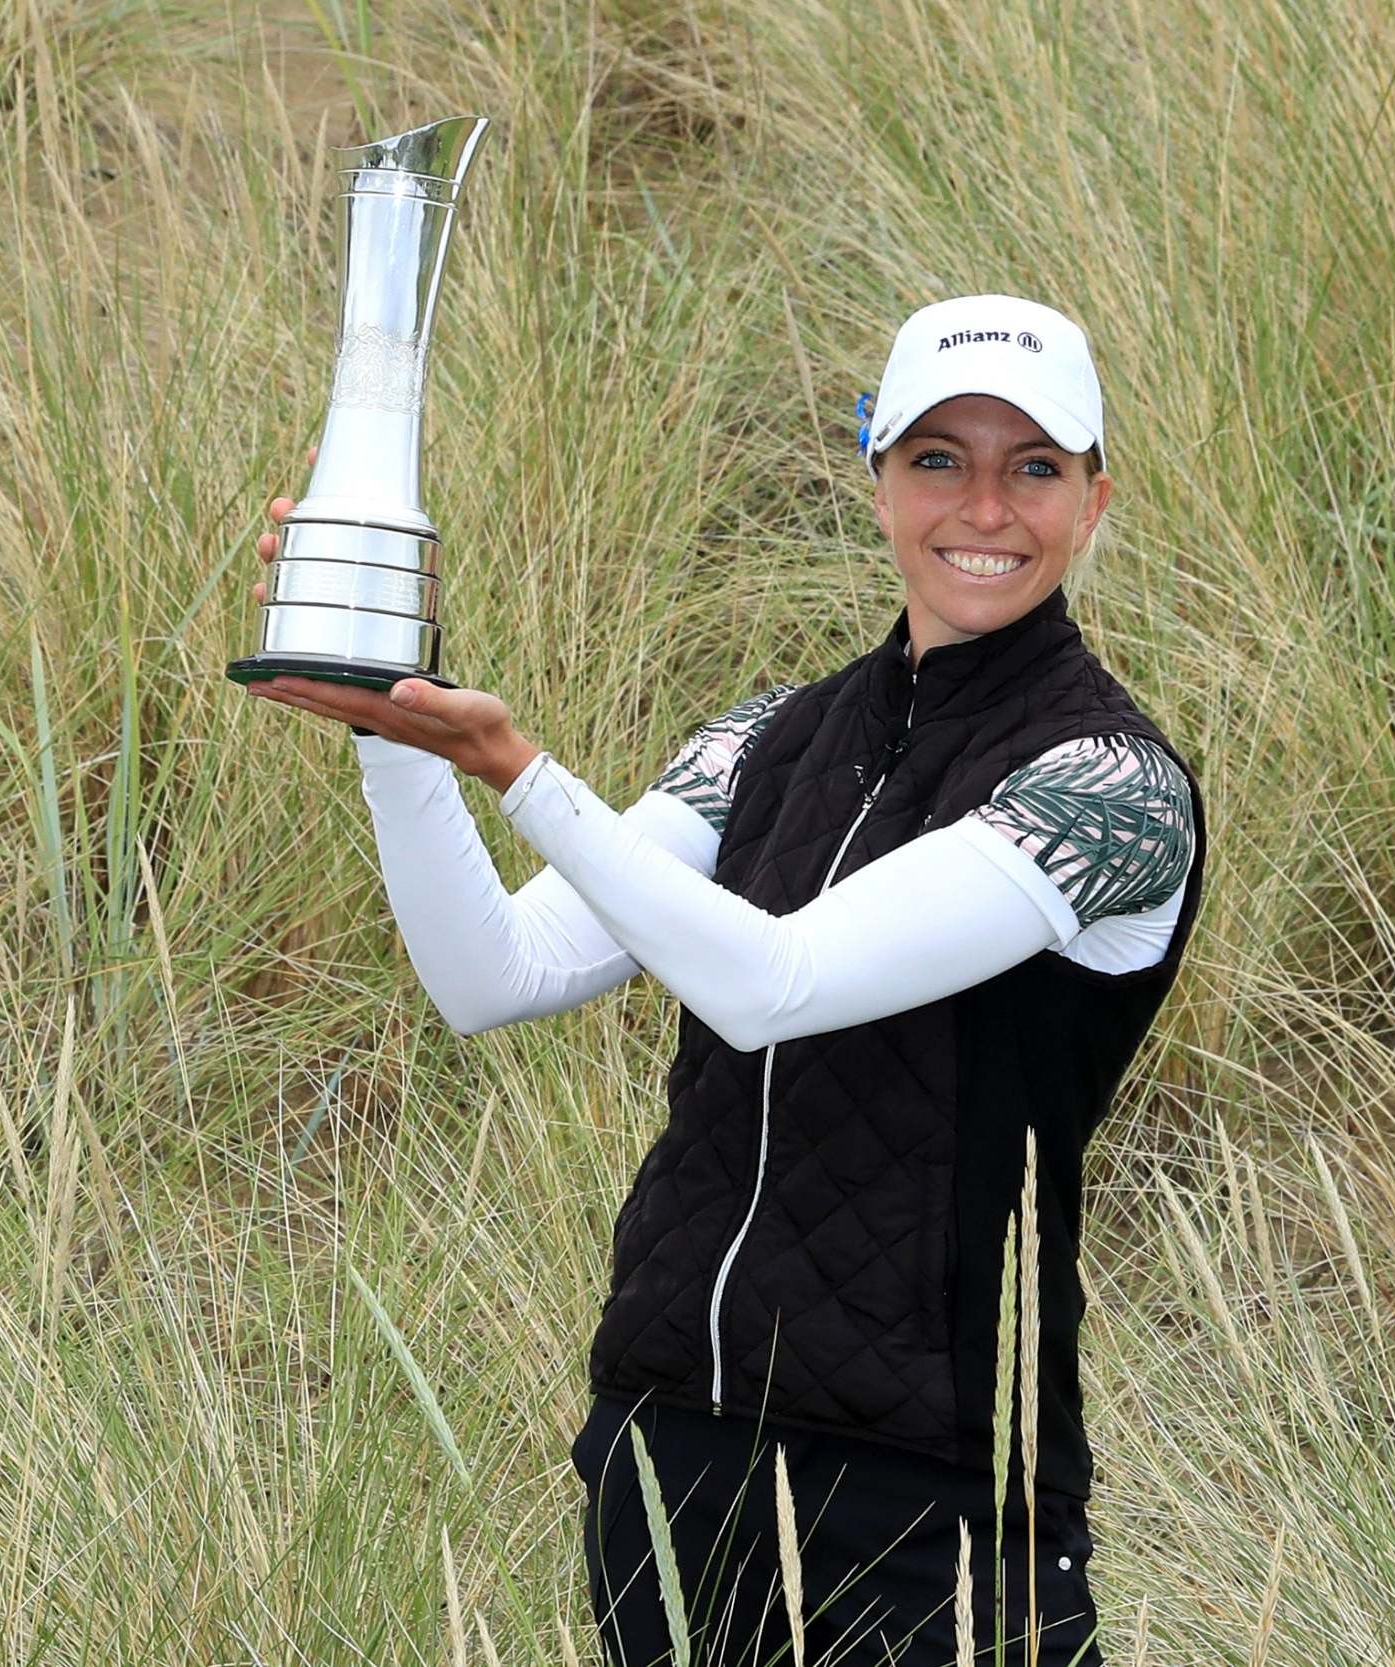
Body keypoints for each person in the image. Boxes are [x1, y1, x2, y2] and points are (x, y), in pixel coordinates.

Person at [247, 293, 1207, 1666]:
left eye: (1033, 468)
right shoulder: (766, 739)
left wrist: (516, 770)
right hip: (671, 1442)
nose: (982, 508)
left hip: (930, 1486)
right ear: (875, 474)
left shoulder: (1110, 786)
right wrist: (394, 728)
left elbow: (773, 983)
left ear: (1095, 500)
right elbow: (495, 974)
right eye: (937, 459)